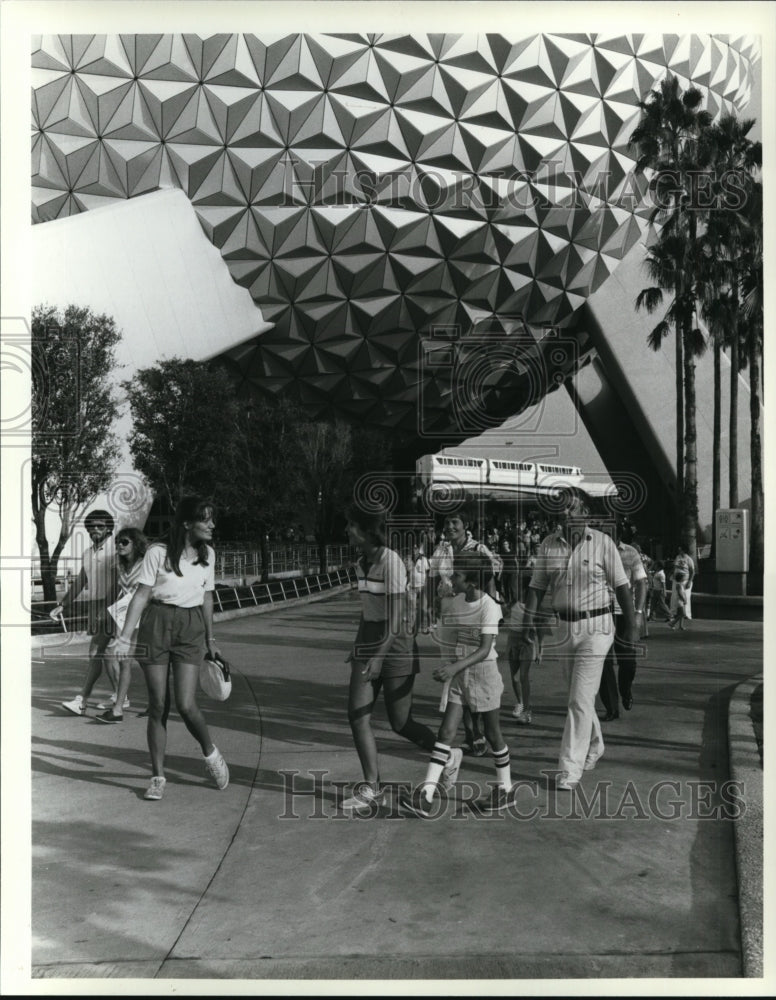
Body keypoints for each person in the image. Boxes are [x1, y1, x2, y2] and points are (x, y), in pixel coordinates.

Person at [111, 497, 229, 801]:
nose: (212, 525)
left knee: (187, 704)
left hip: (190, 627)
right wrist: (125, 637)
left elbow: (207, 597)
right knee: (158, 705)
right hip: (156, 624)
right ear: (188, 523)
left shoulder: (208, 555)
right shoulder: (157, 553)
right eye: (206, 519)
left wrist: (210, 640)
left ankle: (210, 752)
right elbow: (141, 596)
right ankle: (158, 777)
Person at [519, 491, 637, 790]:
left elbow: (623, 587)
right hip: (564, 628)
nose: (565, 515)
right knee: (578, 696)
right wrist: (527, 626)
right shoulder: (548, 545)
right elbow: (536, 588)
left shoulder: (602, 543)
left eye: (571, 509)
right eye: (561, 510)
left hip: (597, 627)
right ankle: (595, 744)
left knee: (579, 699)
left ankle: (569, 769)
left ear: (585, 511)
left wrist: (632, 627)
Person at [341, 506, 436, 813]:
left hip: (395, 647)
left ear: (368, 531)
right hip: (368, 644)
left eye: (352, 526)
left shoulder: (391, 561)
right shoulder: (360, 562)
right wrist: (358, 648)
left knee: (401, 723)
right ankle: (371, 786)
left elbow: (395, 620)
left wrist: (379, 657)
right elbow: (367, 611)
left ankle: (446, 755)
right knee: (357, 715)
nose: (347, 531)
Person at [402, 552, 512, 817]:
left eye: (457, 574)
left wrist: (453, 667)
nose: (451, 577)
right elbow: (449, 633)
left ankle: (505, 788)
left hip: (483, 674)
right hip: (460, 674)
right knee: (445, 732)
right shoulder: (458, 602)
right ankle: (426, 795)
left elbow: (485, 649)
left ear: (472, 582)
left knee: (492, 733)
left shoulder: (489, 606)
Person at [428, 512, 501, 756]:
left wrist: (488, 612)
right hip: (449, 614)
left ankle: (479, 729)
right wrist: (427, 607)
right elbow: (431, 580)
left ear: (465, 525)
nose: (450, 527)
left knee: (472, 673)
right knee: (454, 672)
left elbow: (487, 581)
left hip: (474, 613)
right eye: (446, 523)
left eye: (455, 522)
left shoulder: (478, 549)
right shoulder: (441, 550)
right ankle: (471, 733)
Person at [56, 509, 120, 716]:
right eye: (91, 527)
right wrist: (63, 604)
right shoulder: (88, 553)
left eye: (100, 526)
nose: (95, 530)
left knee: (96, 653)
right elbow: (80, 582)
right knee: (108, 654)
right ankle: (121, 696)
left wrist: (106, 608)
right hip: (96, 605)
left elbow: (117, 584)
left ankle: (82, 700)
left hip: (112, 605)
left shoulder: (114, 551)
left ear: (109, 529)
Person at [96, 527, 149, 723]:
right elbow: (116, 590)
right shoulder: (118, 565)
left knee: (143, 662)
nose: (119, 545)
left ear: (136, 544)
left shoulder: (146, 564)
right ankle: (119, 705)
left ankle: (153, 703)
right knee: (121, 658)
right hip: (123, 617)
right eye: (117, 541)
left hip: (142, 617)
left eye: (124, 542)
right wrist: (104, 611)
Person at [598, 531, 648, 719]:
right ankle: (612, 707)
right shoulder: (594, 550)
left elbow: (641, 583)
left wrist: (638, 613)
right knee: (604, 661)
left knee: (628, 662)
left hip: (624, 613)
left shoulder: (630, 553)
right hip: (601, 612)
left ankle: (625, 689)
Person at [670, 545, 695, 624]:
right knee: (674, 596)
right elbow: (674, 567)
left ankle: (686, 614)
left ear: (684, 550)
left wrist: (689, 582)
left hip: (685, 581)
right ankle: (673, 613)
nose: (679, 551)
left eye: (680, 550)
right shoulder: (677, 557)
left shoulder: (689, 559)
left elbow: (692, 571)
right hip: (676, 580)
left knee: (686, 597)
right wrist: (672, 574)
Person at [409, 542, 430, 634]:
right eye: (413, 548)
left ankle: (427, 626)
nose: (414, 550)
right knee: (412, 608)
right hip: (411, 586)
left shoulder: (424, 559)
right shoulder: (408, 559)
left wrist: (427, 584)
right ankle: (413, 627)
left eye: (415, 548)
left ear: (418, 549)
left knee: (423, 609)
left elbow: (428, 572)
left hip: (422, 586)